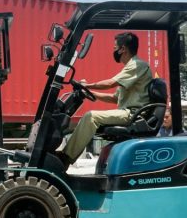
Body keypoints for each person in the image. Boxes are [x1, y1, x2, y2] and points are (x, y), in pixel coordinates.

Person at [60, 32, 152, 168]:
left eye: (115, 47)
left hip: (134, 114)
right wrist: (89, 92)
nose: (114, 50)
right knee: (91, 116)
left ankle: (65, 158)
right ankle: (66, 155)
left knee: (91, 117)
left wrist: (88, 85)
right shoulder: (129, 69)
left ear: (123, 49)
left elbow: (110, 83)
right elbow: (114, 98)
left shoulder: (137, 65)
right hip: (127, 112)